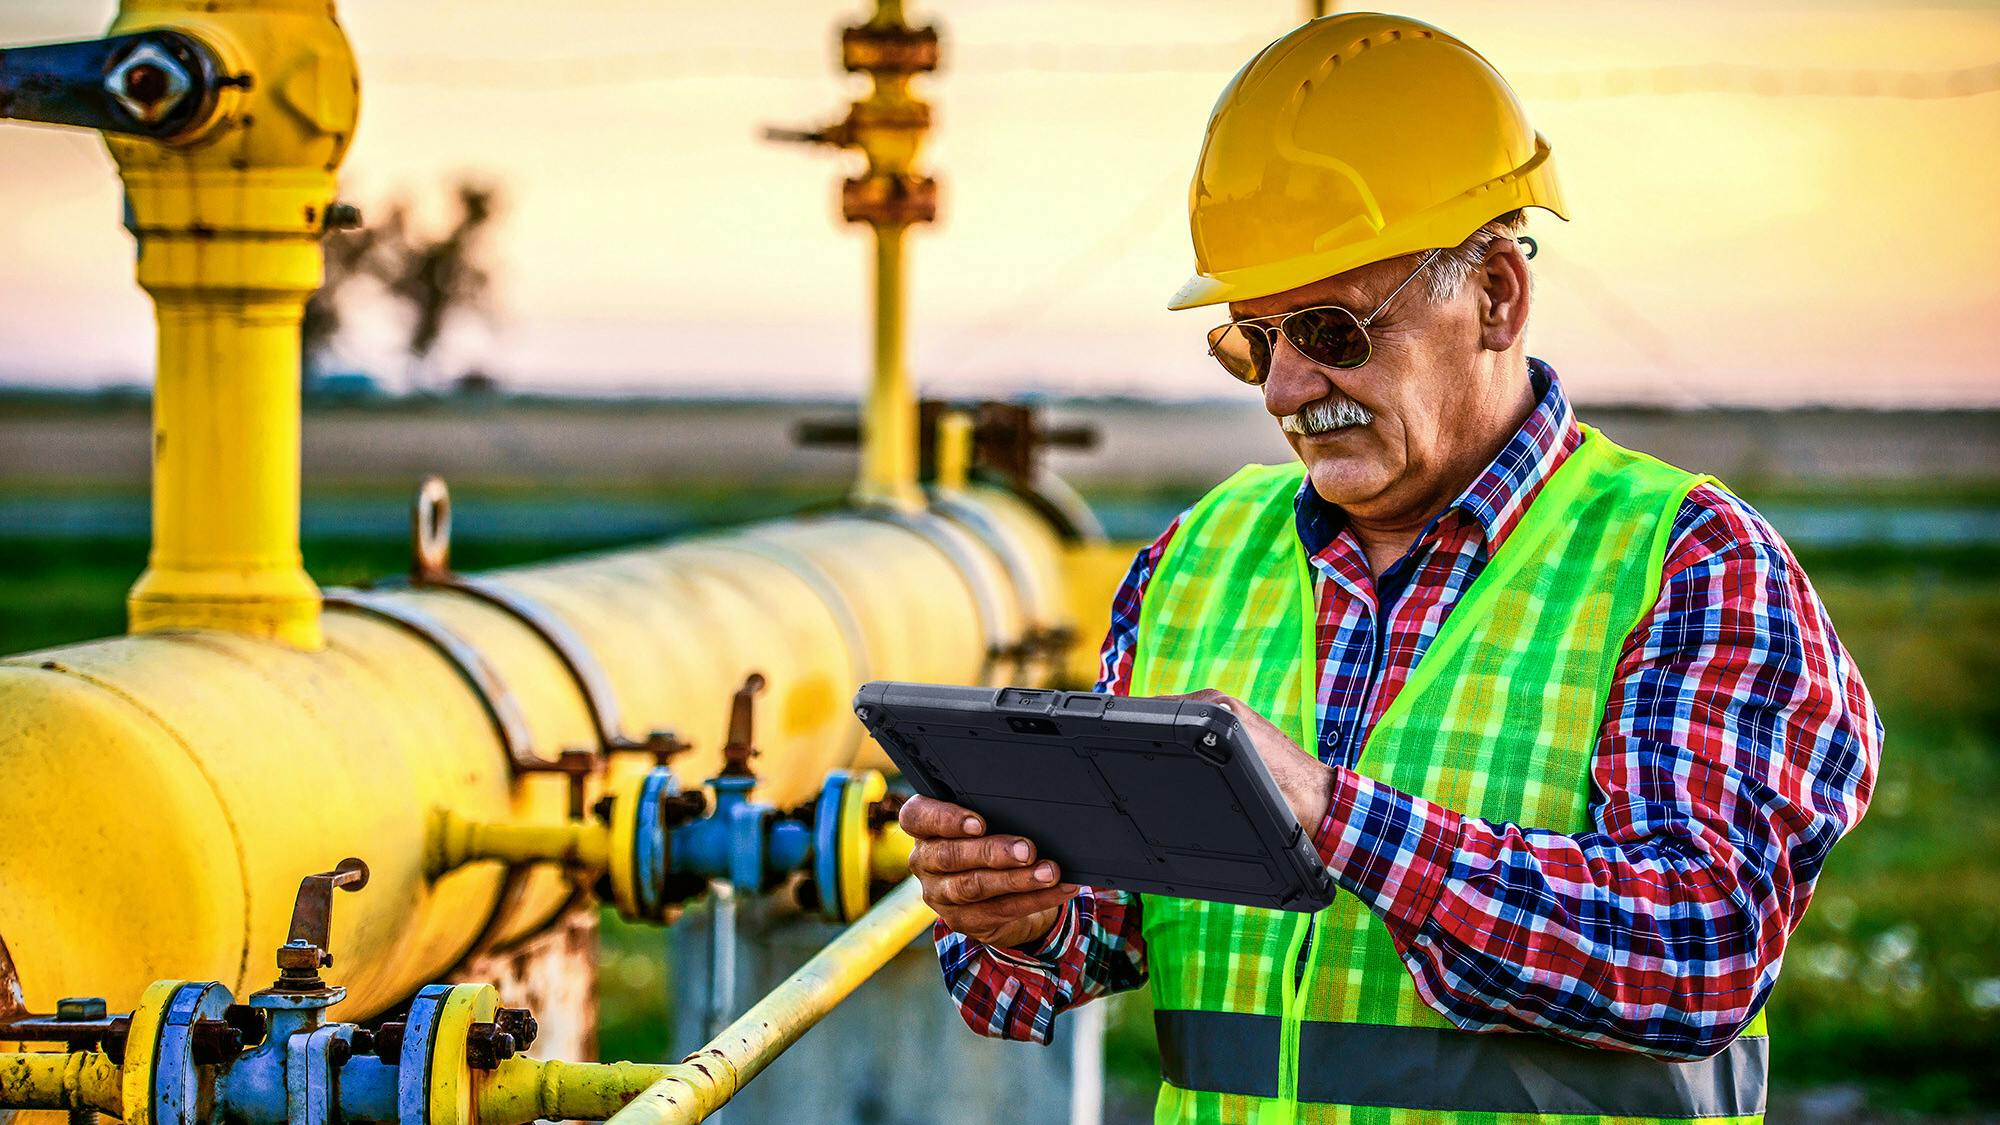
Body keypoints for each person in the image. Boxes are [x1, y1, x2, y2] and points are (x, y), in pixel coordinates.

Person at [897, 11, 1882, 1123]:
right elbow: (1108, 936)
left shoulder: (1689, 564)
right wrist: (1020, 919)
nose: (1281, 389)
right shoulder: (1196, 557)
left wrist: (1326, 814)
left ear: (1496, 295)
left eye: (1329, 328)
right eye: (1253, 341)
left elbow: (1692, 957)